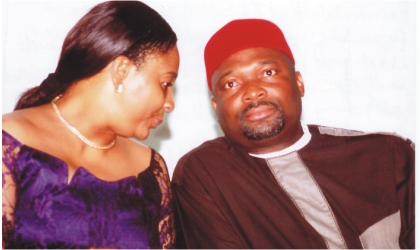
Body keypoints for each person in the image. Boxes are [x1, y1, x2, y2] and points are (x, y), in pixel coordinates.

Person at [172, 19, 414, 249]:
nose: (253, 92)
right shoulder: (205, 173)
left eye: (268, 73)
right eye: (231, 84)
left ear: (299, 83)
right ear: (216, 106)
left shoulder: (388, 156)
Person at [2, 1, 179, 248]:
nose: (169, 103)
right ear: (122, 71)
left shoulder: (151, 170)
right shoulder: (10, 144)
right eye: (166, 84)